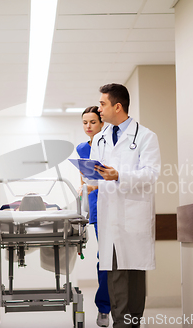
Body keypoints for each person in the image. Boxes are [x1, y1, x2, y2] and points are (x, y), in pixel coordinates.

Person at [89, 84, 161, 328]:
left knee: (134, 277)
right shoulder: (100, 138)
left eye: (102, 104)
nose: (99, 109)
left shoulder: (146, 136)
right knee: (115, 275)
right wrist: (89, 176)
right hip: (110, 215)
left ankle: (132, 322)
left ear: (117, 106)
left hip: (133, 215)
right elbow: (94, 173)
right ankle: (121, 323)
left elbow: (151, 174)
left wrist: (119, 175)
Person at [76, 106, 110, 327]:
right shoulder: (82, 148)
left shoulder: (110, 145)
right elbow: (84, 179)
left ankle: (119, 305)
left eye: (93, 122)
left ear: (102, 123)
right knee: (104, 258)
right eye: (85, 122)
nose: (88, 126)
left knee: (118, 259)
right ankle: (104, 308)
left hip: (115, 203)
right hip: (97, 206)